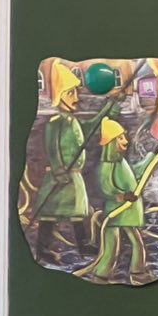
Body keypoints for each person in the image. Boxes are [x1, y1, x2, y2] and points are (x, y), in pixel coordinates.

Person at [31, 64, 90, 258]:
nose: (76, 98)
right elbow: (53, 148)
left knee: (77, 213)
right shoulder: (56, 123)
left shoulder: (73, 121)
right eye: (71, 93)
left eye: (76, 92)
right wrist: (58, 171)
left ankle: (83, 247)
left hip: (74, 177)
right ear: (60, 95)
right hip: (61, 176)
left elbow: (89, 130)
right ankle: (42, 249)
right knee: (49, 214)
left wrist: (108, 110)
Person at [86, 118, 148, 284]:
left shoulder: (121, 162)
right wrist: (122, 196)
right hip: (116, 210)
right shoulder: (107, 165)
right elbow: (105, 187)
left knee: (134, 241)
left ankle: (136, 272)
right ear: (111, 142)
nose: (125, 141)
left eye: (124, 137)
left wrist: (153, 156)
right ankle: (102, 275)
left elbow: (136, 173)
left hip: (126, 210)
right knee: (112, 245)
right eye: (120, 138)